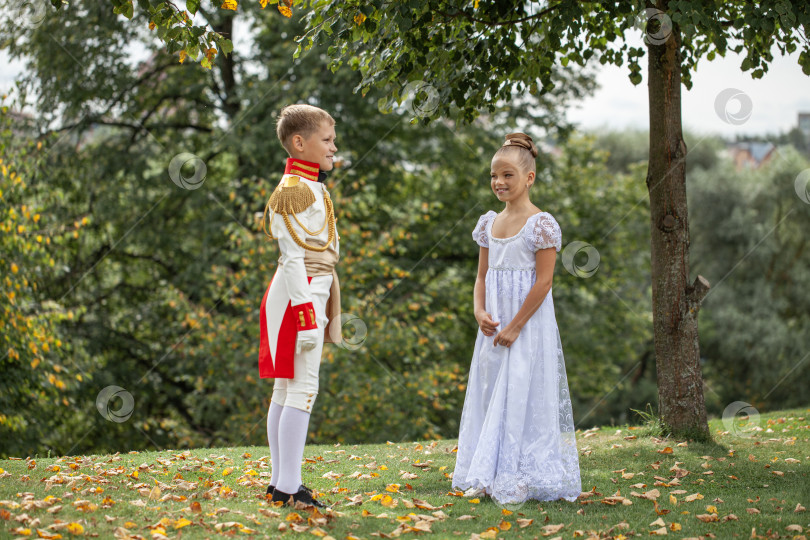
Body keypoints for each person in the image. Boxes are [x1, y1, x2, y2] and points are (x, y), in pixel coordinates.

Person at [452, 133, 581, 505]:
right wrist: (479, 311)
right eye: (494, 175)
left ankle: (522, 471)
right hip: (493, 326)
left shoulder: (541, 224)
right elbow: (482, 276)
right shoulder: (488, 224)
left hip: (525, 325)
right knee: (492, 391)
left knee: (523, 391)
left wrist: (516, 325)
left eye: (508, 175)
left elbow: (544, 282)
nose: (499, 182)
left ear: (529, 178)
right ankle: (489, 469)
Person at [258, 104, 341, 508]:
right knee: (302, 389)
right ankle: (289, 487)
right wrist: (308, 318)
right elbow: (291, 258)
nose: (333, 146)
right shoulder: (294, 188)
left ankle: (280, 484)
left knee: (287, 388)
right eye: (326, 139)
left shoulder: (311, 185)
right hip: (301, 291)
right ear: (299, 142)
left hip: (308, 287)